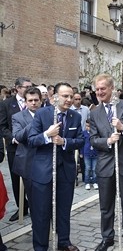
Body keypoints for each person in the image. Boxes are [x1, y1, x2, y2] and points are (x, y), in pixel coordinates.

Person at [28, 82, 84, 251]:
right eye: (65, 96)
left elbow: (81, 140)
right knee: (41, 213)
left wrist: (64, 141)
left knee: (64, 210)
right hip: (43, 172)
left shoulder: (76, 116)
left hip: (66, 171)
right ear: (55, 97)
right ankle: (41, 246)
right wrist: (47, 135)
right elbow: (31, 140)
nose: (68, 100)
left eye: (71, 96)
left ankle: (64, 242)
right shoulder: (42, 114)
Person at [90, 74, 123, 251]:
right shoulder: (94, 112)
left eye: (103, 88)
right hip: (105, 166)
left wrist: (122, 128)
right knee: (106, 206)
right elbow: (93, 139)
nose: (99, 92)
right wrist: (107, 141)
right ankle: (107, 238)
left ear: (112, 88)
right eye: (97, 89)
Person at [0, 77, 32, 222]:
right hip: (15, 147)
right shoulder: (6, 104)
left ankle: (34, 204)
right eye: (26, 87)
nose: (29, 89)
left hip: (32, 147)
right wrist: (13, 138)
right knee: (16, 178)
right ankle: (22, 206)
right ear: (17, 88)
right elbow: (2, 126)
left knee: (32, 176)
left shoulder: (34, 102)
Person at [11, 87, 43, 206]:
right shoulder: (18, 117)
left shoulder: (50, 113)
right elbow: (18, 136)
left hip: (46, 159)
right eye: (30, 100)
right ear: (25, 102)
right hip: (28, 161)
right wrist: (35, 122)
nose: (33, 103)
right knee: (33, 196)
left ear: (41, 100)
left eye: (36, 100)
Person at [81, 121, 98, 190]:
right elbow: (81, 144)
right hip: (87, 153)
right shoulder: (84, 133)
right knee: (87, 168)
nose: (88, 128)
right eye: (87, 126)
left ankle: (95, 182)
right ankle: (87, 182)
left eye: (89, 126)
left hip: (95, 153)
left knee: (94, 169)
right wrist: (81, 153)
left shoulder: (95, 133)